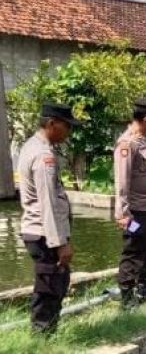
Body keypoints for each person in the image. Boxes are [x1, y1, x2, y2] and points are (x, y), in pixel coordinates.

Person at [18, 103, 81, 334]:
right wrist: (61, 243)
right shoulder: (43, 156)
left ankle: (47, 334)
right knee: (49, 288)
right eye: (67, 126)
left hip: (40, 232)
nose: (68, 132)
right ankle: (43, 336)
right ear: (52, 123)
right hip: (44, 234)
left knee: (55, 283)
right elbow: (48, 204)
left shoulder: (32, 146)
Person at [114, 97, 146, 310]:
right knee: (133, 249)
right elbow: (122, 181)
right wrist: (124, 214)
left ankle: (142, 288)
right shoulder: (128, 143)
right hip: (134, 213)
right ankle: (126, 296)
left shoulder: (145, 139)